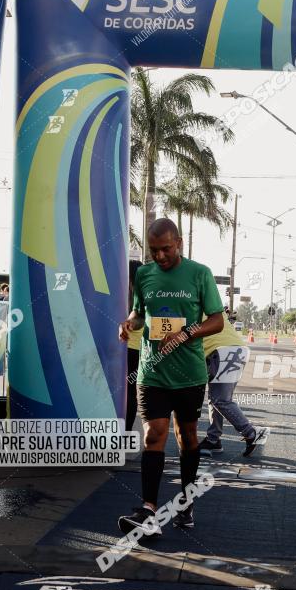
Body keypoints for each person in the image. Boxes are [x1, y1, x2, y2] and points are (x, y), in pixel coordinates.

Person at [118, 218, 224, 535]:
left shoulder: (199, 273)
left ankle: (185, 505)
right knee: (154, 436)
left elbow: (217, 320)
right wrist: (129, 323)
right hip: (152, 372)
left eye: (166, 249)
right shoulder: (145, 275)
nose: (160, 257)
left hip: (189, 374)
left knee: (187, 437)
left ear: (178, 242)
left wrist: (186, 333)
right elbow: (140, 313)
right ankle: (148, 510)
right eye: (154, 251)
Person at [199, 309, 269, 457]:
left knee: (221, 400)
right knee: (215, 399)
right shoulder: (210, 306)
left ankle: (251, 433)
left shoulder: (189, 306)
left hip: (222, 352)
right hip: (237, 349)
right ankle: (213, 440)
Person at [125, 259, 144, 432]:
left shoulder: (122, 294)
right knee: (131, 391)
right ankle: (126, 432)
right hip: (138, 351)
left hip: (120, 349)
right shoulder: (146, 296)